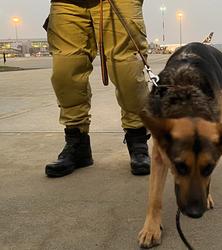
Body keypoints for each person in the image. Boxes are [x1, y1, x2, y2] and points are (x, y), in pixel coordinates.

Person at [44, 0, 151, 177]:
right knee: (65, 71)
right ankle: (77, 141)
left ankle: (137, 138)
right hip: (67, 3)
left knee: (127, 71)